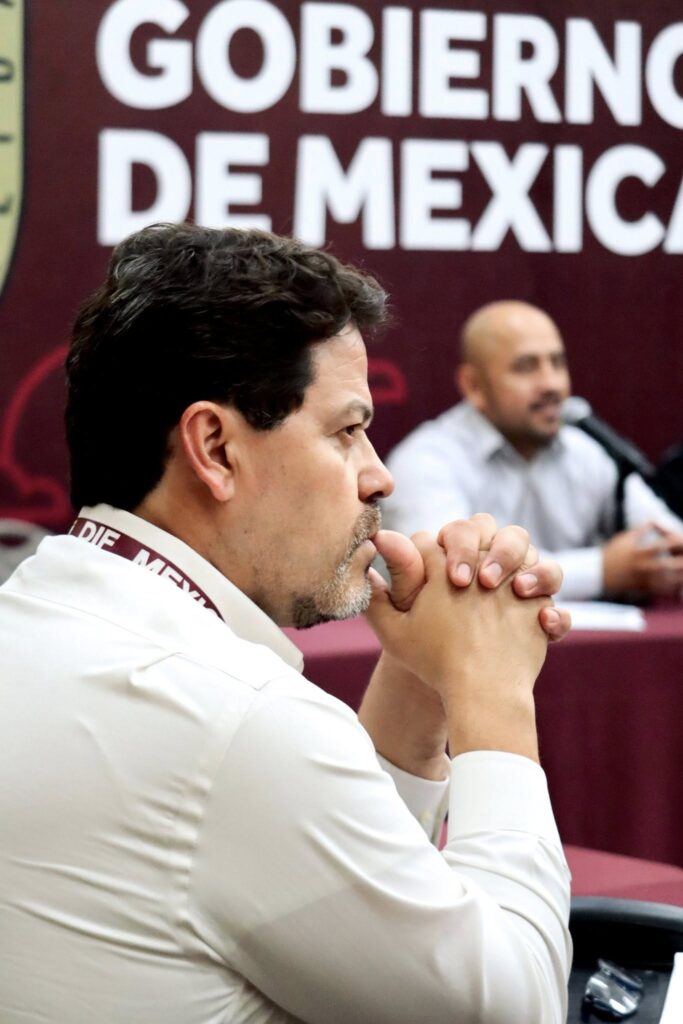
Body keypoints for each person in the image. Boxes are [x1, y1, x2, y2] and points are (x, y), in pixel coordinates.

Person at [0, 226, 572, 1024]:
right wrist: (492, 694)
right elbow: (513, 1009)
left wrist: (419, 683)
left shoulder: (37, 614)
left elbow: (328, 900)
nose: (379, 476)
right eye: (346, 432)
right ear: (215, 449)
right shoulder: (234, 719)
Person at [383, 299, 683, 601]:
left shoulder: (587, 451)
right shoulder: (425, 461)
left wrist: (663, 553)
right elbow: (455, 576)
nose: (552, 384)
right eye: (526, 367)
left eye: (558, 363)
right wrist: (602, 570)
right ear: (474, 386)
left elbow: (665, 537)